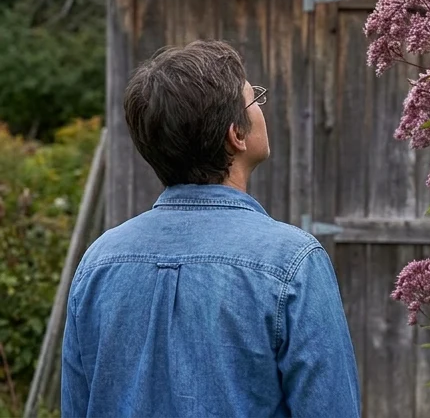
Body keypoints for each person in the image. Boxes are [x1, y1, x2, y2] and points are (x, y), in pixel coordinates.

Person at [62, 40, 360, 417]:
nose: (261, 109)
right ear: (236, 134)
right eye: (256, 100)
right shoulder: (292, 263)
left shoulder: (98, 263)